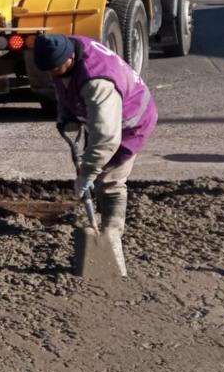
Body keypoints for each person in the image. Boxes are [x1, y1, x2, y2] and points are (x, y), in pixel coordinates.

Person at [33, 33, 157, 235]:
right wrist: (65, 112)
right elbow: (62, 84)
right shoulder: (67, 48)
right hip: (101, 117)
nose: (52, 74)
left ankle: (111, 234)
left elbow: (107, 139)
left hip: (130, 123)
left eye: (56, 69)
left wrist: (87, 173)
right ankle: (98, 219)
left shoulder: (97, 82)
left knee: (110, 178)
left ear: (69, 58)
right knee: (95, 168)